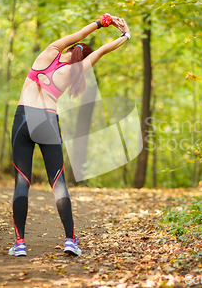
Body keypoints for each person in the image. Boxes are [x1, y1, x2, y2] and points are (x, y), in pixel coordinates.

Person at [9, 14, 131, 257]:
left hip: (23, 118)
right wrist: (125, 35)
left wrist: (102, 21)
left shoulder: (49, 51)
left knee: (22, 182)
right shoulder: (76, 70)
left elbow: (81, 35)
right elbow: (104, 50)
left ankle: (20, 243)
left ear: (72, 48)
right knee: (58, 182)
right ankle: (69, 240)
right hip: (47, 120)